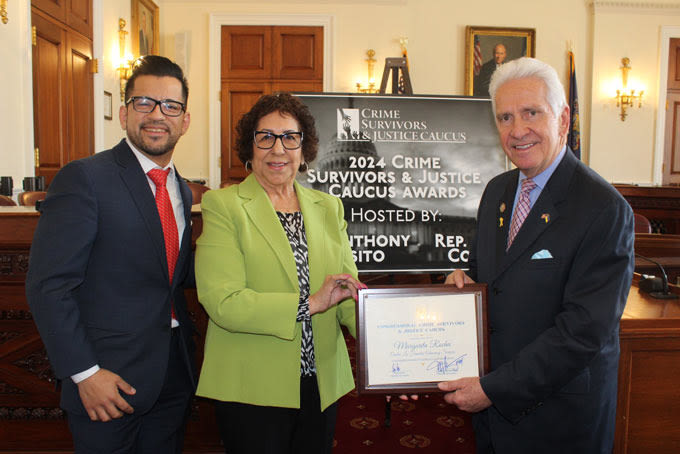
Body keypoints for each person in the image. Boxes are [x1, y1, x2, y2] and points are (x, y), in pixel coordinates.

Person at [440, 57, 635, 453]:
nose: (517, 130)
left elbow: (582, 333)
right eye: (505, 117)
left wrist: (494, 389)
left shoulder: (604, 208)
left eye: (531, 113)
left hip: (557, 418)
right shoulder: (497, 191)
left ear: (563, 119)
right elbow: (486, 277)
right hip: (495, 415)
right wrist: (459, 282)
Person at [26, 55, 196, 453]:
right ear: (123, 113)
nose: (158, 115)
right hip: (107, 383)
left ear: (185, 120)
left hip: (172, 376)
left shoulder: (182, 190)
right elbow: (49, 286)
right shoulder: (84, 178)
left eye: (171, 106)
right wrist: (84, 374)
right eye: (144, 103)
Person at [195, 92, 364, 454]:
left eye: (290, 137)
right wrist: (310, 304)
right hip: (252, 383)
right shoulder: (223, 206)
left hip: (321, 381)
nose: (278, 149)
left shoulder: (328, 207)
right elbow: (223, 301)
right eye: (265, 137)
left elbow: (348, 294)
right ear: (249, 148)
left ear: (304, 149)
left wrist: (388, 352)